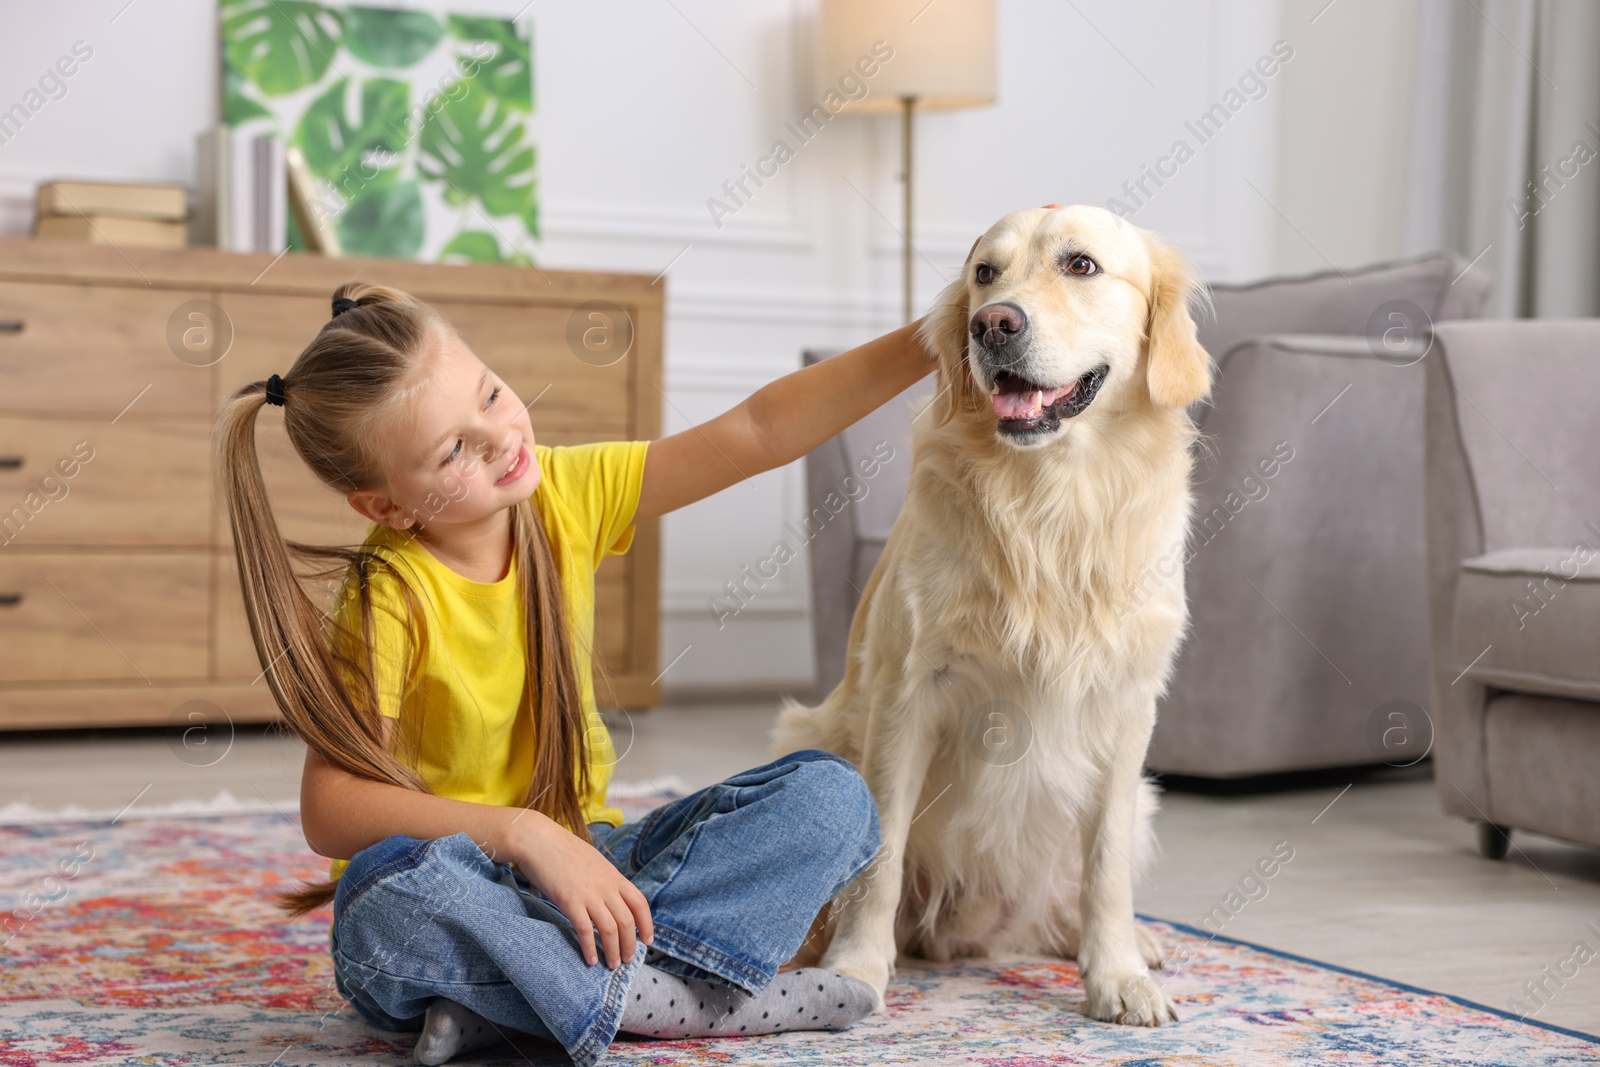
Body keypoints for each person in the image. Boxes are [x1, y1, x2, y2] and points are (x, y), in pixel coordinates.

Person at [213, 282, 934, 1066]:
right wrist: (521, 835)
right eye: (452, 449)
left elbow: (757, 429)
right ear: (387, 506)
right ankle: (680, 998)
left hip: (588, 865)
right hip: (459, 883)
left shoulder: (566, 492)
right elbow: (329, 809)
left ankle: (517, 1000)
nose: (498, 436)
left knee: (832, 798)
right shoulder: (390, 596)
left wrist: (929, 338)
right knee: (383, 907)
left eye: (491, 394)